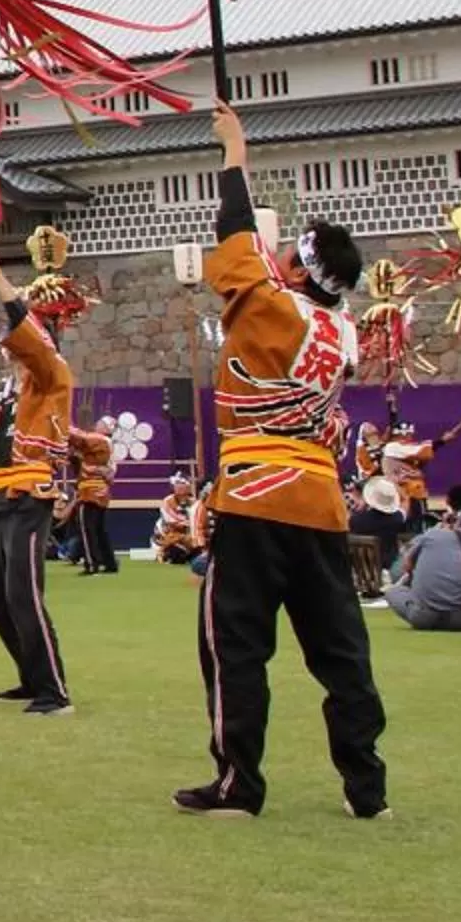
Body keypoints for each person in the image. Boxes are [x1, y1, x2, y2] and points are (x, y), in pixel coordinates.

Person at [180, 101, 388, 823]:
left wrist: (235, 151)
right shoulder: (342, 333)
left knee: (235, 645)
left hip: (255, 494)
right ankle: (367, 788)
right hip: (319, 500)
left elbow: (235, 233)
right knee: (341, 649)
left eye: (290, 258)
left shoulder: (276, 309)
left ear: (299, 271)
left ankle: (240, 783)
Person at [0, 246, 74, 717]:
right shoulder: (6, 395)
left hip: (30, 495)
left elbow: (29, 333)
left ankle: (55, 689)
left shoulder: (52, 378)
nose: (10, 345)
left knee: (23, 594)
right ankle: (30, 677)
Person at [382, 500, 461, 632]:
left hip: (424, 616)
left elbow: (406, 564)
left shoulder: (433, 535)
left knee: (393, 592)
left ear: (458, 522)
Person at [68, 412, 119, 576]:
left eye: (100, 423)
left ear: (106, 429)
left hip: (90, 490)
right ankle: (109, 563)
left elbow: (78, 437)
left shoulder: (100, 440)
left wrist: (63, 422)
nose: (96, 425)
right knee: (98, 529)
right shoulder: (102, 446)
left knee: (86, 528)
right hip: (99, 490)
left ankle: (92, 564)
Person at [153, 473, 202, 565]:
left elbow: (198, 521)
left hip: (188, 538)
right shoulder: (167, 501)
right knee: (177, 555)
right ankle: (163, 554)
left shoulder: (195, 502)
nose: (180, 487)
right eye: (177, 484)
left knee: (199, 556)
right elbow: (172, 522)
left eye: (183, 484)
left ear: (189, 487)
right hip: (168, 538)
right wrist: (188, 525)